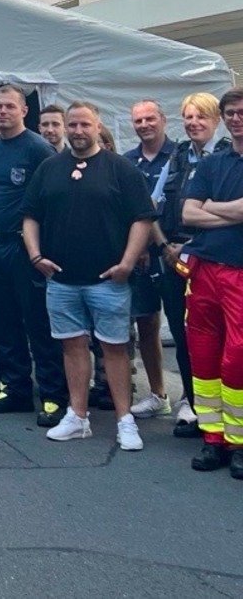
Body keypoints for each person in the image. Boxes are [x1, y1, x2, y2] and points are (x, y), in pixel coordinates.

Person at [24, 102, 155, 450]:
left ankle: (125, 421)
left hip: (108, 280)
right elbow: (30, 215)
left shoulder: (121, 169)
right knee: (72, 346)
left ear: (97, 126)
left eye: (85, 125)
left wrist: (127, 263)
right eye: (73, 125)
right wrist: (35, 255)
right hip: (62, 280)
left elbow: (142, 218)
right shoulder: (49, 168)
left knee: (115, 350)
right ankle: (77, 417)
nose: (78, 131)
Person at [0, 85, 67, 426]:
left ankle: (55, 396)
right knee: (2, 322)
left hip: (24, 247)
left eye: (9, 106)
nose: (2, 112)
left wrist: (38, 249)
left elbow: (53, 201)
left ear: (24, 110)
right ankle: (15, 389)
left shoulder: (38, 149)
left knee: (38, 324)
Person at [159, 92, 231, 437]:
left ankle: (234, 425)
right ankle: (200, 412)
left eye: (201, 117)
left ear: (216, 120)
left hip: (221, 262)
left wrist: (204, 218)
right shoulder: (178, 157)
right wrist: (164, 247)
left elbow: (203, 216)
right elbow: (160, 205)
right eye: (188, 117)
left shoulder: (227, 156)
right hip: (178, 262)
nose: (193, 123)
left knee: (232, 346)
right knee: (189, 342)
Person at [183, 87, 243, 477]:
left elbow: (202, 209)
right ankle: (214, 439)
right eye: (231, 112)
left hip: (240, 272)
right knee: (203, 356)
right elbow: (188, 213)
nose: (237, 118)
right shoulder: (211, 164)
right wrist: (233, 212)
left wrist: (210, 208)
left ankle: (240, 443)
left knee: (238, 357)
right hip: (204, 270)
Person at [121, 100, 175, 420]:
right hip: (143, 256)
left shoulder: (180, 156)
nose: (144, 125)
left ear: (163, 120)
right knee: (147, 323)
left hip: (176, 252)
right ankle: (159, 394)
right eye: (138, 120)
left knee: (190, 329)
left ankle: (195, 399)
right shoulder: (127, 162)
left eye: (150, 118)